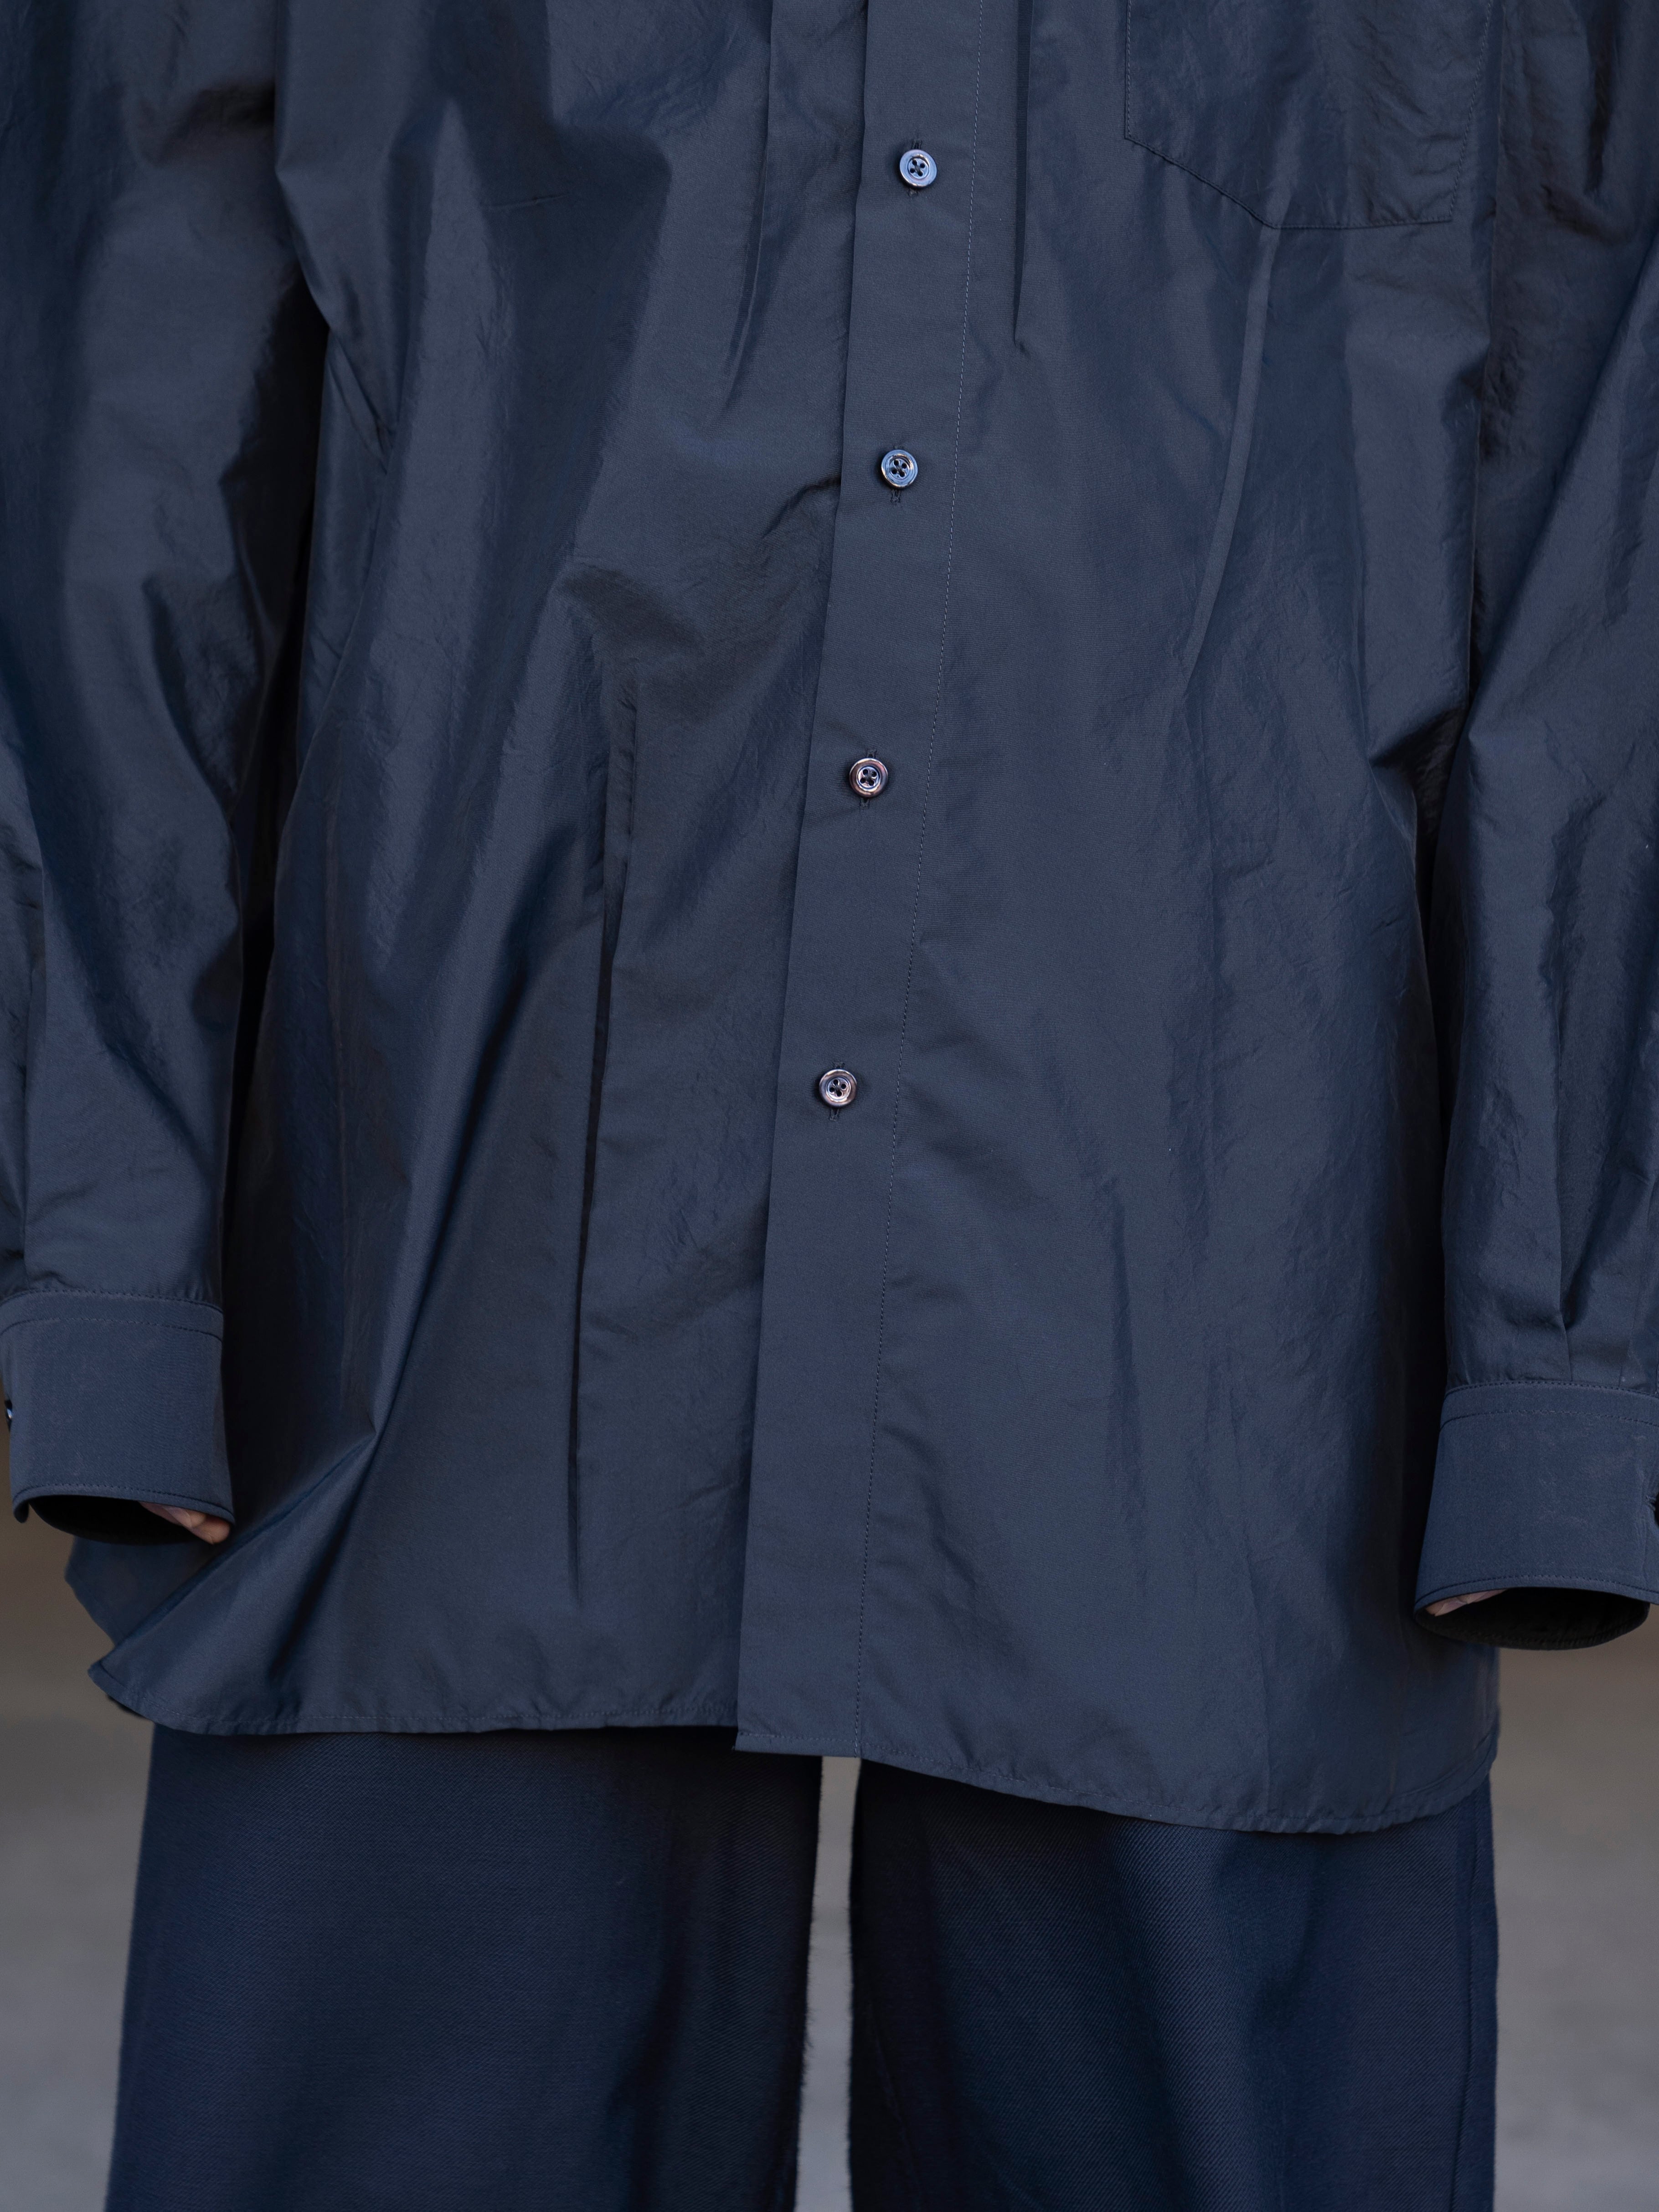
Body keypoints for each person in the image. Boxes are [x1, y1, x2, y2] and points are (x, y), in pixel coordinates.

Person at [3, 1, 1657, 2205]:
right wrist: (114, 1255)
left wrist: (1554, 1355)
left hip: (1200, 1315)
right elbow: (118, 457)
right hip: (461, 1302)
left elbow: (1595, 534)